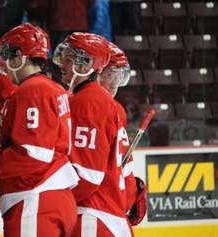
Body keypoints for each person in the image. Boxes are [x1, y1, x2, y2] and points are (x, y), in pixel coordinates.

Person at [0, 23, 79, 237]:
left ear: (19, 57)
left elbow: (34, 154)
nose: (5, 65)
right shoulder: (48, 87)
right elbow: (13, 105)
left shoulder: (33, 91)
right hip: (52, 200)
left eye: (8, 56)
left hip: (35, 201)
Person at [53, 32, 136, 236]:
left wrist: (55, 202)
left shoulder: (87, 103)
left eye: (69, 59)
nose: (114, 84)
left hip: (91, 216)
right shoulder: (103, 104)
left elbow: (88, 176)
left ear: (88, 65)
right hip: (109, 216)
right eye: (111, 75)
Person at [99, 42, 148, 234]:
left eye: (119, 76)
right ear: (96, 72)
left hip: (110, 212)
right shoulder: (108, 111)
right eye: (109, 75)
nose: (114, 83)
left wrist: (130, 193)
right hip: (101, 213)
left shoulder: (115, 112)